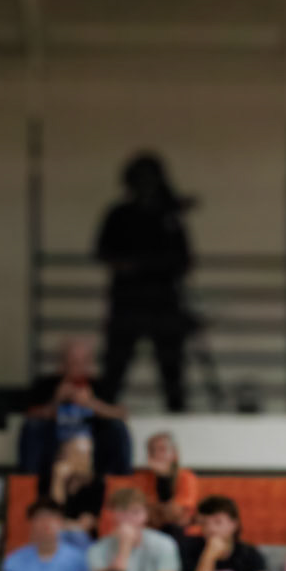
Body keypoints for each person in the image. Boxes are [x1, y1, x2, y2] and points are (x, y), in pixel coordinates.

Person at [95, 151, 193, 411]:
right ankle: (104, 411)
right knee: (116, 363)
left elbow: (184, 260)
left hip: (163, 301)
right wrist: (132, 266)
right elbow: (103, 251)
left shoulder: (168, 218)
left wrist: (151, 265)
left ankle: (178, 415)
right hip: (128, 300)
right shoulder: (120, 215)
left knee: (171, 366)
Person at [16, 334, 129, 484]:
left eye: (81, 361)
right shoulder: (46, 384)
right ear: (62, 362)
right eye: (72, 361)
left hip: (92, 441)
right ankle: (27, 485)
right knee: (32, 427)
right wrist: (56, 401)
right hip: (55, 441)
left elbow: (121, 413)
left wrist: (91, 403)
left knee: (117, 428)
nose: (76, 366)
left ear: (89, 362)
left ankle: (118, 486)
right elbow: (29, 414)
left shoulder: (99, 385)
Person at [137, 430, 199, 532]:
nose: (156, 454)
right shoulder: (143, 478)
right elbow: (144, 515)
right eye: (152, 451)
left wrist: (163, 478)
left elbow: (175, 515)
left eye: (162, 449)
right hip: (150, 531)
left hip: (179, 530)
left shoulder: (186, 477)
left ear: (174, 453)